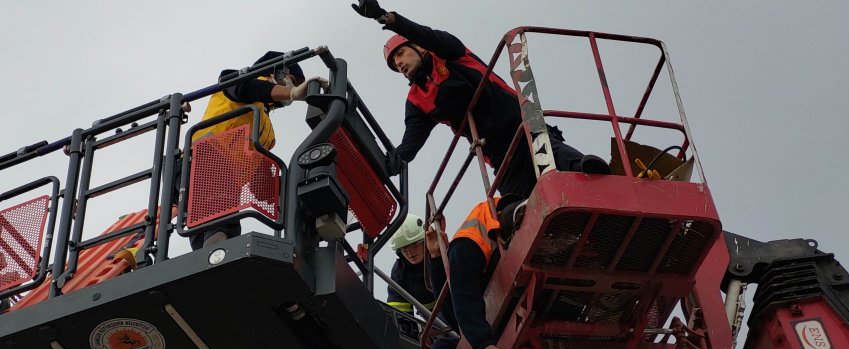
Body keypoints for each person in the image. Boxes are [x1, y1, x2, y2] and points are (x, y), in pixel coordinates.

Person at [351, 1, 610, 197]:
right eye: (394, 65)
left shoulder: (447, 52)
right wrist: (381, 167)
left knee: (554, 156)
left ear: (418, 47)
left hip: (521, 125)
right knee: (513, 207)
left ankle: (590, 173)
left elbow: (426, 34)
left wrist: (387, 18)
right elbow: (410, 143)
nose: (399, 64)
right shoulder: (417, 101)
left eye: (401, 54)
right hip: (498, 154)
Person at [404, 194, 526, 349]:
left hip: (490, 328)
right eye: (405, 250)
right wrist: (437, 258)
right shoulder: (470, 251)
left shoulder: (474, 247)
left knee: (442, 345)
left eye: (412, 246)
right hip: (480, 328)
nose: (410, 253)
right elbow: (452, 306)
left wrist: (484, 344)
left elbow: (460, 300)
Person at [182, 51, 328, 250]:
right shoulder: (235, 81)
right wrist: (290, 93)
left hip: (217, 180)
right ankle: (218, 261)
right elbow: (248, 87)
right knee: (223, 226)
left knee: (204, 234)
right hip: (201, 162)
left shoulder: (265, 127)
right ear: (275, 73)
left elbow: (259, 178)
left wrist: (296, 199)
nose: (292, 87)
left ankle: (209, 265)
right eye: (291, 80)